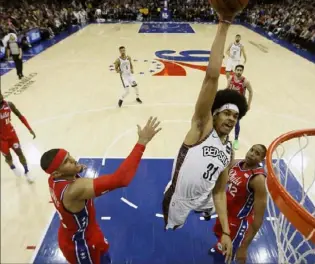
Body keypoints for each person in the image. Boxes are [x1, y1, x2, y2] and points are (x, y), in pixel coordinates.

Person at [162, 16, 248, 264]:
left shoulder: (229, 151)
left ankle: (207, 214)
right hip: (178, 198)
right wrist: (224, 26)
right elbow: (211, 77)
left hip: (207, 198)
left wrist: (226, 231)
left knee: (217, 200)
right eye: (227, 112)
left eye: (235, 115)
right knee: (173, 228)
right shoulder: (202, 127)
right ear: (215, 112)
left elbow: (220, 191)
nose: (232, 118)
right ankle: (179, 219)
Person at [40, 116, 161, 264]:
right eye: (66, 162)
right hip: (81, 244)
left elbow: (68, 180)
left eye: (69, 156)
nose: (72, 160)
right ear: (57, 173)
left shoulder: (53, 179)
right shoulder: (75, 190)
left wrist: (74, 171)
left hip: (76, 231)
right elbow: (121, 179)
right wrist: (142, 142)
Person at [209, 144, 267, 264]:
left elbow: (258, 218)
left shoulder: (258, 179)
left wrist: (244, 247)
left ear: (261, 160)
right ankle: (220, 246)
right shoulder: (236, 164)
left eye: (257, 154)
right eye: (252, 150)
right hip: (225, 212)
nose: (252, 154)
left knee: (226, 256)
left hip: (237, 222)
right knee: (218, 234)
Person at [0, 92, 35, 182]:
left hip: (11, 135)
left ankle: (27, 171)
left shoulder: (9, 104)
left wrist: (29, 129)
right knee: (8, 158)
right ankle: (12, 167)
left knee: (20, 152)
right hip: (1, 139)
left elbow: (20, 116)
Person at [227, 64, 253, 150]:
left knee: (236, 122)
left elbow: (251, 92)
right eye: (237, 70)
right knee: (226, 119)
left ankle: (236, 140)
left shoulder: (245, 81)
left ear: (242, 71)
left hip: (239, 105)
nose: (239, 71)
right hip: (230, 102)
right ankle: (224, 136)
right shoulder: (230, 79)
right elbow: (227, 89)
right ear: (235, 70)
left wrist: (249, 104)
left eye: (240, 70)